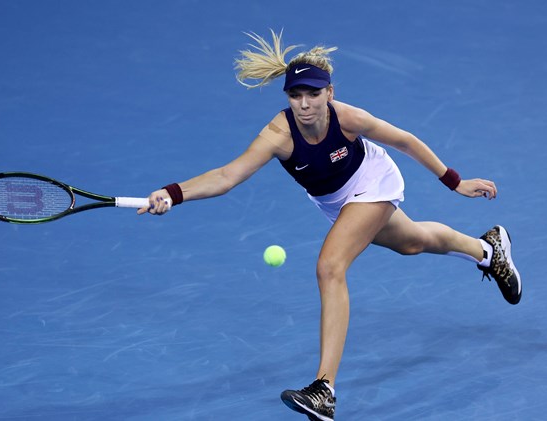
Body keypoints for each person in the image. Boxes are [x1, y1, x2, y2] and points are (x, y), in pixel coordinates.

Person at [138, 30, 521, 421]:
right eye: (295, 96)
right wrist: (173, 193)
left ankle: (324, 388)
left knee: (329, 267)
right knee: (413, 242)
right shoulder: (278, 135)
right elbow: (226, 176)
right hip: (335, 202)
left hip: (372, 182)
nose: (304, 104)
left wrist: (454, 181)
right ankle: (489, 250)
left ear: (329, 93)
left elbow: (405, 140)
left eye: (313, 94)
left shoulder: (349, 118)